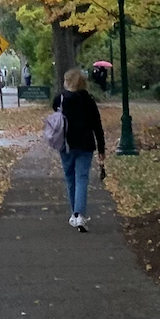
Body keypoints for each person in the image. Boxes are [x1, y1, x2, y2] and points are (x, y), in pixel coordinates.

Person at [52, 68, 105, 233]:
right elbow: (97, 126)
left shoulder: (60, 99)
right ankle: (79, 214)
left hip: (65, 145)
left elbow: (56, 115)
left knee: (70, 178)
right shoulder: (89, 100)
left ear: (66, 82)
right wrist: (101, 148)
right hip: (86, 144)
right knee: (82, 178)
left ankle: (74, 214)